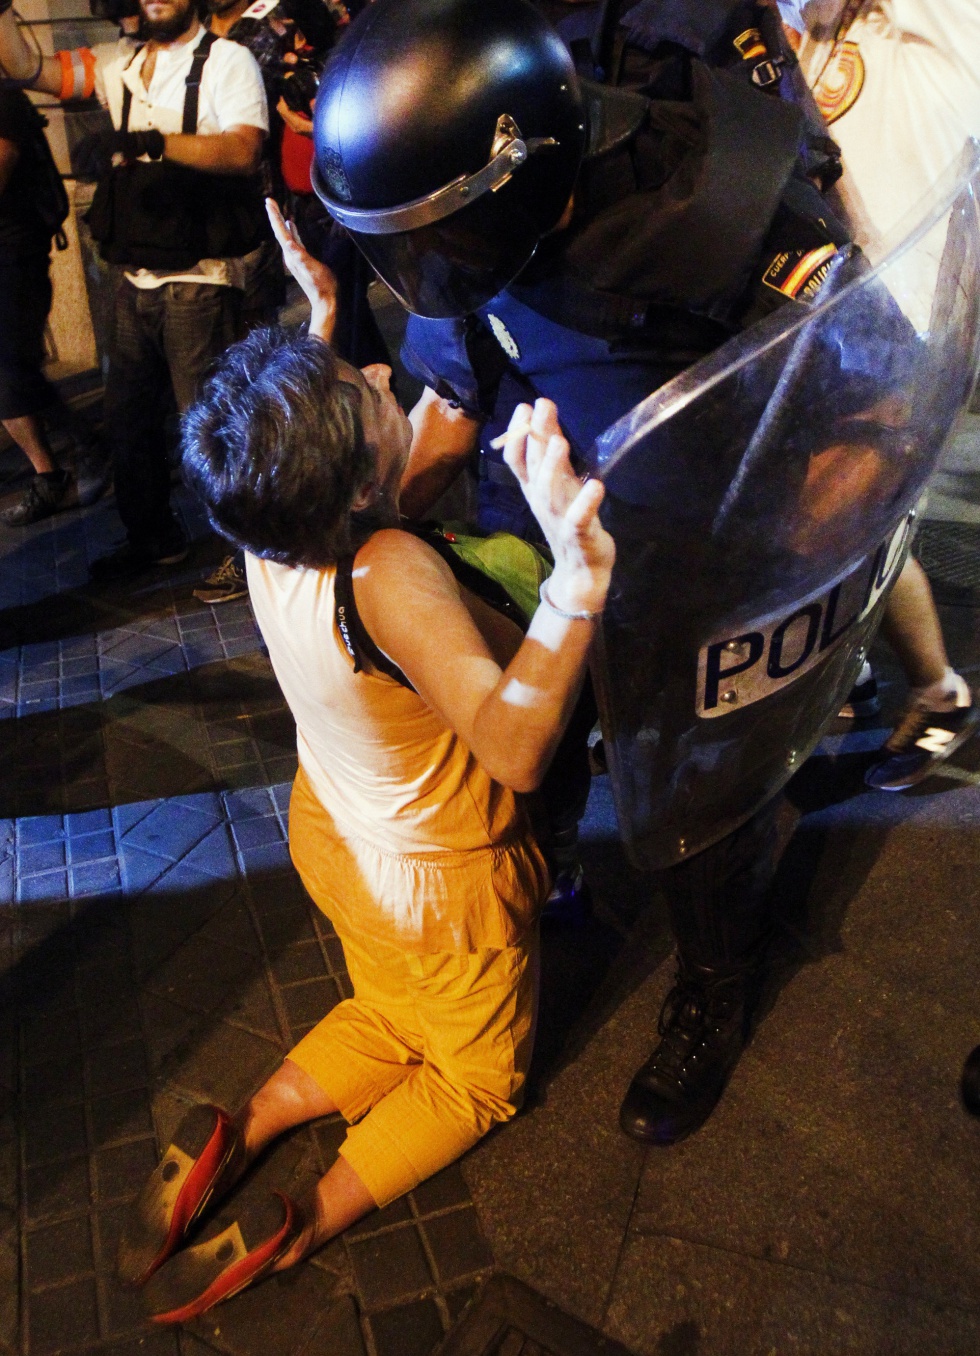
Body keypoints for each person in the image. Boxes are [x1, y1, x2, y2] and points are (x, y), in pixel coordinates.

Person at [307, 0, 867, 1146]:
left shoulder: (720, 205)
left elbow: (866, 411)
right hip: (545, 544)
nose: (430, 270)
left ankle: (714, 975)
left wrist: (776, 571)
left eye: (438, 238)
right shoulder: (467, 219)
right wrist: (353, 536)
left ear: (520, 173)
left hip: (706, 562)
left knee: (691, 808)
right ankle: (554, 870)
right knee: (532, 748)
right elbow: (452, 408)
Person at [114, 198, 615, 1323]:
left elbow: (303, 440)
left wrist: (323, 311)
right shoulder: (383, 571)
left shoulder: (262, 521)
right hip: (437, 879)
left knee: (392, 1010)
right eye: (358, 393)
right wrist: (574, 582)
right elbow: (516, 747)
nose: (381, 382)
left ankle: (240, 1131)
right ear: (348, 491)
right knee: (473, 1075)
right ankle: (309, 1215)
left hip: (335, 833)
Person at [775, 0, 980, 790]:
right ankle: (857, 671)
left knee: (854, 512)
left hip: (917, 329)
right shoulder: (810, 33)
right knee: (831, 512)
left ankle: (938, 694)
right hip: (845, 326)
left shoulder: (938, 26)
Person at [0, 0, 269, 578]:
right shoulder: (116, 62)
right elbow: (29, 69)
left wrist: (155, 143)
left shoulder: (229, 61)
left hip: (200, 278)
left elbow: (243, 149)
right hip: (133, 277)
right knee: (128, 423)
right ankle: (154, 539)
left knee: (210, 424)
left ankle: (245, 555)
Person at [0, 87, 107, 526]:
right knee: (9, 371)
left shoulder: (3, 96)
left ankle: (83, 452)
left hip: (12, 256)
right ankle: (60, 465)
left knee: (10, 370)